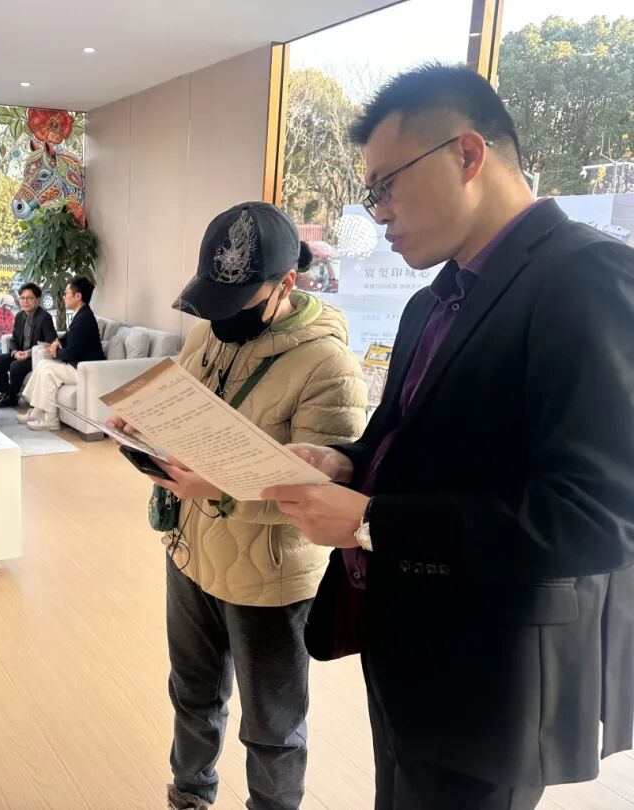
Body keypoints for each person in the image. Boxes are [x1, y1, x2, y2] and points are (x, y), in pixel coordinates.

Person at [261, 64, 634, 810]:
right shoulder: (431, 301)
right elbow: (403, 441)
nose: (377, 214)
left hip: (494, 680)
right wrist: (346, 463)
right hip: (404, 648)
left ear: (467, 154)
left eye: (385, 186)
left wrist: (370, 521)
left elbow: (597, 518)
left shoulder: (588, 276)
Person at [112, 202, 367, 810]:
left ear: (287, 283)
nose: (222, 319)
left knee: (272, 726)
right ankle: (189, 794)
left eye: (237, 303)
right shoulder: (208, 333)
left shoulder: (329, 366)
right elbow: (185, 409)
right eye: (214, 303)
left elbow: (321, 499)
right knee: (191, 693)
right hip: (191, 550)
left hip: (270, 578)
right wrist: (145, 428)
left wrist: (222, 487)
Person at [17, 275, 104, 430]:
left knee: (47, 369)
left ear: (78, 296)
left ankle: (51, 419)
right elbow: (69, 337)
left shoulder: (84, 319)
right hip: (78, 365)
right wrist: (57, 342)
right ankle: (38, 411)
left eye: (66, 293)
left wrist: (55, 352)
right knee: (43, 364)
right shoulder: (81, 314)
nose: (63, 297)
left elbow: (71, 353)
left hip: (85, 370)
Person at [0, 283, 55, 407]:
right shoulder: (20, 316)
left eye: (29, 298)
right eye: (22, 298)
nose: (25, 301)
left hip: (35, 358)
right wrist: (15, 352)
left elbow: (50, 341)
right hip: (20, 353)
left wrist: (29, 353)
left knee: (15, 366)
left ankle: (12, 397)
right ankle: (4, 393)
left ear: (37, 299)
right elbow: (14, 339)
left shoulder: (45, 318)